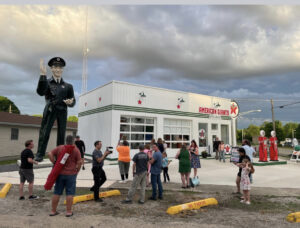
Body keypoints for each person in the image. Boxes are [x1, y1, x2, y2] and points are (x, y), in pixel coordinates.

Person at [35, 57, 76, 162]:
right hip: (50, 109)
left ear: (62, 69)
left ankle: (60, 154)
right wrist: (42, 76)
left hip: (62, 110)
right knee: (45, 132)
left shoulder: (68, 86)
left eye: (60, 68)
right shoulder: (47, 82)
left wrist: (71, 102)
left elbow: (73, 100)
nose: (58, 70)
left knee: (61, 134)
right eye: (55, 67)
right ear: (51, 69)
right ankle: (40, 154)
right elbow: (40, 92)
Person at [48, 135, 81, 217]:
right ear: (73, 141)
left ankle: (53, 211)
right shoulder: (76, 150)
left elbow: (49, 153)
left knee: (57, 192)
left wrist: (54, 162)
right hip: (71, 174)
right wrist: (77, 171)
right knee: (70, 193)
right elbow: (79, 162)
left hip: (60, 174)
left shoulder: (60, 148)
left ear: (66, 141)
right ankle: (69, 212)